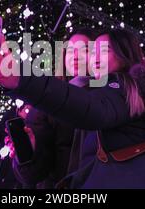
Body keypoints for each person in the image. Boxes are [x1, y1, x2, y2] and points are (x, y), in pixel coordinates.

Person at [0, 28, 145, 188]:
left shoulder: (121, 87)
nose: (92, 58)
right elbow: (34, 173)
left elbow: (92, 110)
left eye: (100, 50)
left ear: (123, 53)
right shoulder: (53, 100)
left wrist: (20, 78)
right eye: (93, 52)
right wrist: (28, 151)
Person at [9, 28, 97, 188]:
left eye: (84, 49)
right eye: (70, 50)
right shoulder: (49, 98)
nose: (75, 56)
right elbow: (33, 175)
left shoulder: (108, 97)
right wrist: (28, 152)